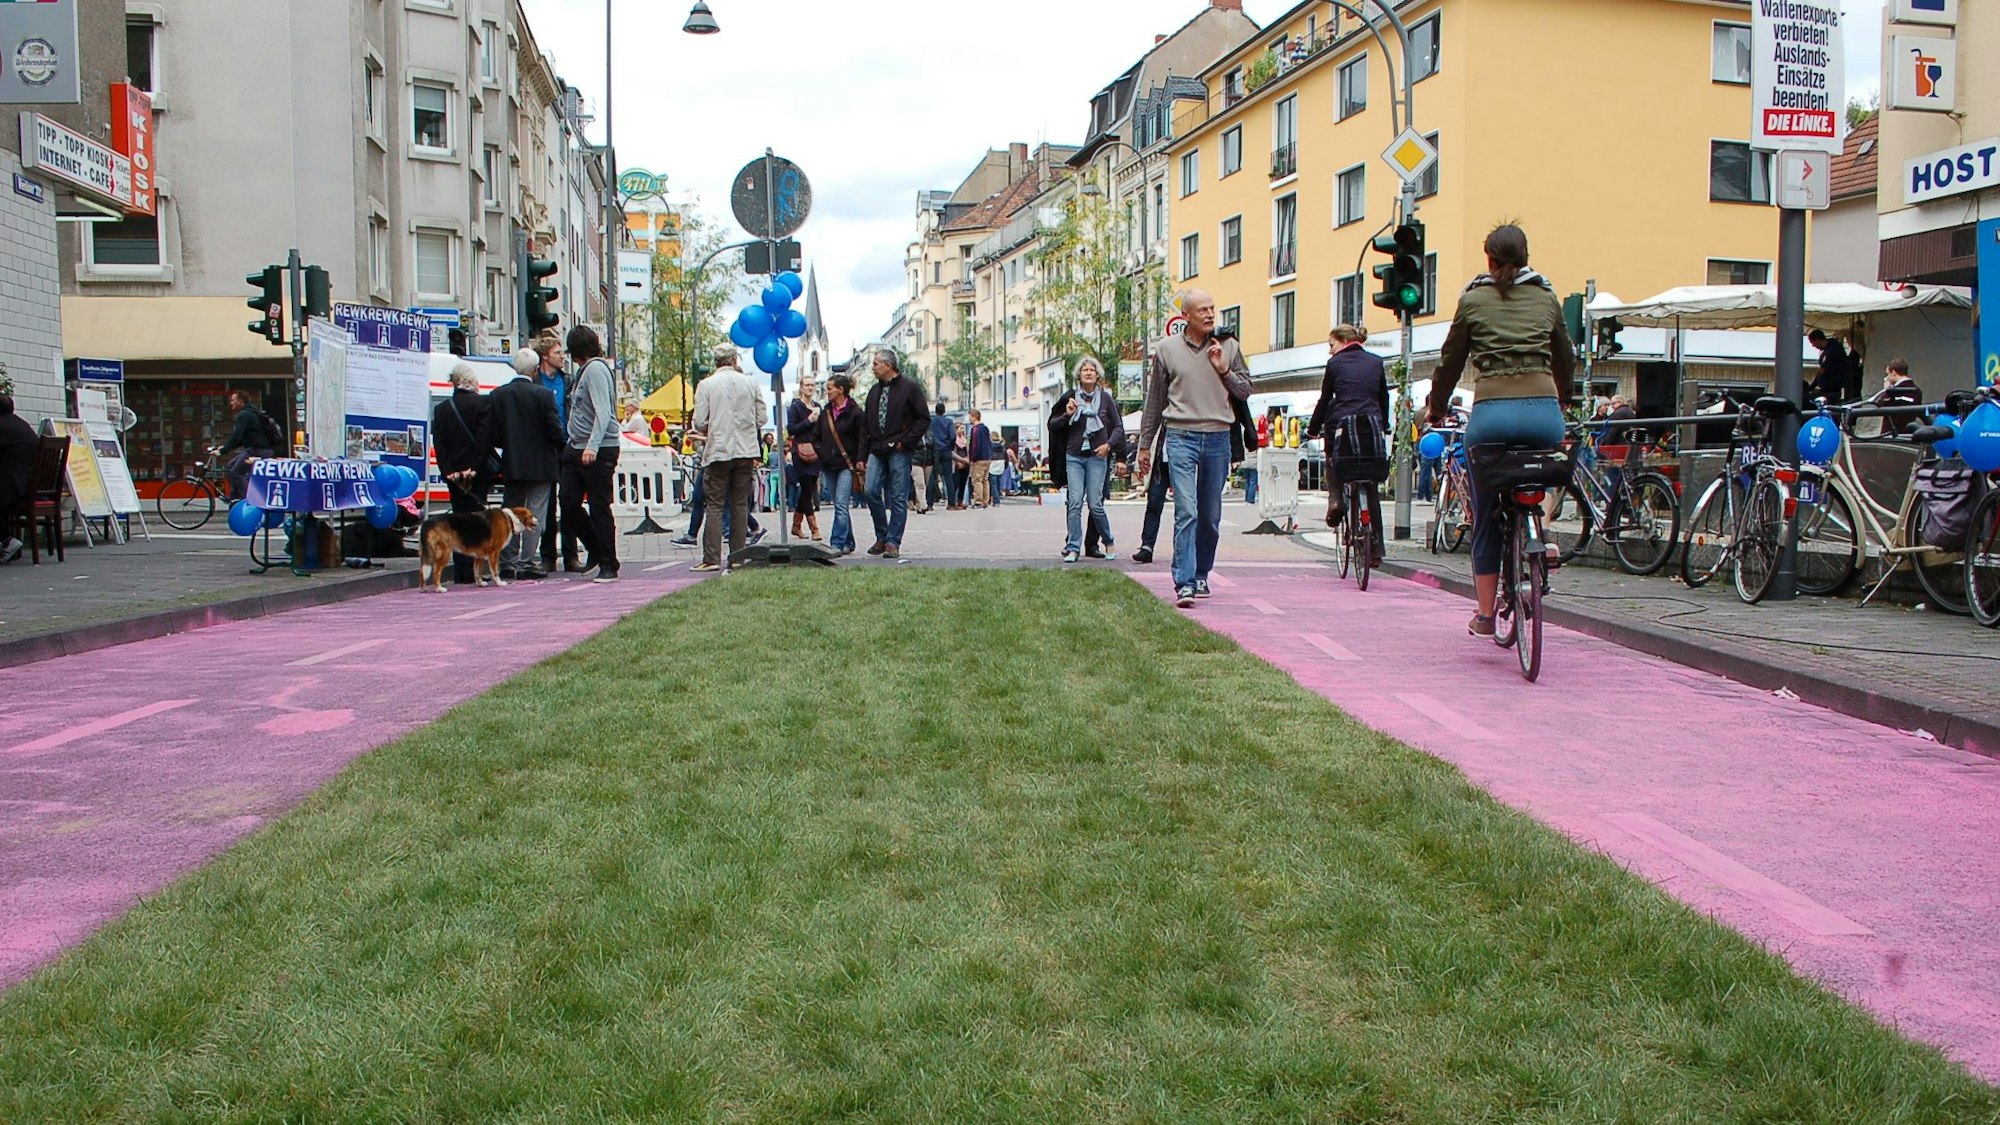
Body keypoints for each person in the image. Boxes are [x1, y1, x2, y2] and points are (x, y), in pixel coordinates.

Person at [1426, 223, 1574, 637]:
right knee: (1548, 468)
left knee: (1486, 513)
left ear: (1488, 259)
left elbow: (1450, 362)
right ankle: (1541, 530)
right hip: (1543, 413)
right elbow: (1564, 355)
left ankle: (1486, 614)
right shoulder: (1546, 297)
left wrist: (1436, 408)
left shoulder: (1473, 299)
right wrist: (1563, 397)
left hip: (1491, 416)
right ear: (1526, 258)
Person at [1137, 288, 1251, 608]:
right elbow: (1155, 401)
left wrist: (1224, 369)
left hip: (1218, 437)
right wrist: (1145, 445)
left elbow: (1245, 391)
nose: (1210, 314)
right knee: (1186, 510)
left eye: (1212, 308)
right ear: (1185, 315)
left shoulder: (1228, 345)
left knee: (1210, 515)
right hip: (1180, 436)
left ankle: (1202, 573)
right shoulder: (1166, 349)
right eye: (1203, 310)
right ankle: (1184, 583)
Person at [1307, 324, 1390, 566]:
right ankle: (1376, 549)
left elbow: (1325, 400)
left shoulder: (1335, 364)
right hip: (1371, 426)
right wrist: (1384, 424)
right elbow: (1383, 397)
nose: (1330, 351)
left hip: (1343, 426)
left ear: (1343, 342)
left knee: (1333, 460)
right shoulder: (1376, 362)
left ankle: (1335, 500)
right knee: (1370, 485)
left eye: (1331, 345)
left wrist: (1313, 428)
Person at [485, 348, 566, 580]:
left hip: (513, 463)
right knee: (536, 512)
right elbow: (555, 430)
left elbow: (493, 433)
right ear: (535, 370)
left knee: (511, 512)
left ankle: (507, 561)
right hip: (542, 463)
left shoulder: (498, 395)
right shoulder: (544, 395)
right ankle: (527, 561)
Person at [690, 345, 763, 573]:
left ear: (716, 362)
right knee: (740, 505)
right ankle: (738, 556)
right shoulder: (750, 383)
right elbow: (761, 417)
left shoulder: (706, 385)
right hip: (746, 450)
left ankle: (711, 558)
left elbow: (699, 422)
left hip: (719, 450)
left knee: (714, 505)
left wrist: (714, 426)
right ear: (734, 360)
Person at [560, 324, 621, 582]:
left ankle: (608, 562)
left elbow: (603, 411)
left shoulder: (595, 370)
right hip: (577, 445)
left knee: (598, 505)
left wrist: (593, 445)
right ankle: (596, 547)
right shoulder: (584, 371)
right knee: (568, 501)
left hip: (598, 447)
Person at [1047, 356, 1123, 563]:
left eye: (1092, 370)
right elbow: (1053, 425)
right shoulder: (1070, 398)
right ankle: (1073, 547)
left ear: (1097, 375)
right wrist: (1067, 415)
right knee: (1074, 503)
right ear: (1079, 375)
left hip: (1097, 458)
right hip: (1074, 457)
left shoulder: (1106, 399)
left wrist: (1109, 446)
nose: (1088, 373)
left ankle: (1108, 541)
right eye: (1085, 370)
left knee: (1095, 504)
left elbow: (1118, 427)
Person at [860, 348, 929, 559]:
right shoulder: (874, 391)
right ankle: (882, 535)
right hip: (877, 449)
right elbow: (866, 425)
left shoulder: (910, 387)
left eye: (876, 364)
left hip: (899, 449)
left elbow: (923, 419)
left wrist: (905, 442)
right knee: (871, 490)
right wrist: (861, 456)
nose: (873, 368)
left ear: (888, 366)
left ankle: (893, 541)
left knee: (898, 496)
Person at [432, 363, 496, 586]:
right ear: (471, 381)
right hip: (477, 472)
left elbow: (440, 444)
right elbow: (484, 439)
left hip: (454, 474)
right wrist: (474, 467)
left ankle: (461, 570)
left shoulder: (441, 409)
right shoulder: (483, 404)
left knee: (458, 517)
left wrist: (449, 471)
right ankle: (476, 569)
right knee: (478, 519)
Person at [530, 336, 572, 571]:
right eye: (557, 353)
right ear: (545, 356)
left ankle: (571, 554)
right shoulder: (535, 381)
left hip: (566, 444)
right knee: (546, 505)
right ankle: (548, 555)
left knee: (569, 500)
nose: (562, 356)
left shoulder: (567, 381)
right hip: (544, 447)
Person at [815, 371, 869, 556]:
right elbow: (816, 436)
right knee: (841, 506)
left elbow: (863, 439)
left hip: (847, 465)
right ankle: (849, 542)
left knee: (840, 503)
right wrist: (821, 452)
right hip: (828, 464)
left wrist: (860, 459)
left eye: (830, 388)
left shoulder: (855, 412)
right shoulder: (826, 412)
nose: (827, 392)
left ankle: (836, 542)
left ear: (841, 389)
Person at [220, 389, 279, 501]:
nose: (231, 403)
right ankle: (235, 498)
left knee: (237, 472)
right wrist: (224, 448)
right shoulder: (252, 413)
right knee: (231, 466)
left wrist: (221, 452)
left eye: (233, 400)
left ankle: (248, 500)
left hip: (258, 451)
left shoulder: (244, 415)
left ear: (240, 401)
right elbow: (241, 440)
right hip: (259, 449)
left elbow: (236, 436)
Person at [0, 394, 36, 564]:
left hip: (14, 487)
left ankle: (7, 540)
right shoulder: (23, 425)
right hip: (30, 485)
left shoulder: (2, 426)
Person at [786, 376, 823, 541]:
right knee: (807, 488)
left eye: (812, 385)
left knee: (808, 489)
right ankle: (814, 528)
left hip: (815, 452)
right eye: (807, 385)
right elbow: (791, 429)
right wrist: (809, 421)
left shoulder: (817, 406)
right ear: (801, 387)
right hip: (800, 451)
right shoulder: (795, 407)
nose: (810, 388)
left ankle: (796, 526)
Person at [1856, 358, 1923, 439]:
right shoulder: (1916, 390)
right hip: (1907, 435)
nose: (1886, 378)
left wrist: (1886, 390)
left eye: (1888, 374)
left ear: (1893, 373)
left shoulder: (1895, 391)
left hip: (1891, 435)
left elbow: (1880, 403)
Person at [1808, 329, 1855, 405]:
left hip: (1832, 390)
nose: (1813, 345)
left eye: (1813, 343)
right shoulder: (1828, 350)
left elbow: (1823, 370)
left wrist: (1811, 387)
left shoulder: (1833, 349)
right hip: (1827, 389)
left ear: (1817, 339)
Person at [926, 402, 954, 512]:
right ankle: (951, 503)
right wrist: (950, 447)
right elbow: (953, 436)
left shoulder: (931, 422)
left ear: (936, 410)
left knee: (933, 477)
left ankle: (929, 503)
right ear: (944, 411)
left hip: (934, 450)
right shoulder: (949, 422)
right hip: (946, 450)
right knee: (948, 477)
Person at [967, 409, 996, 508]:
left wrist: (972, 458)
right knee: (985, 480)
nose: (969, 418)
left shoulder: (975, 429)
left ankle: (978, 501)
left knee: (977, 480)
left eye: (970, 416)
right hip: (987, 457)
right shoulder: (985, 428)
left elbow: (975, 445)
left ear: (974, 417)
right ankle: (985, 501)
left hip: (979, 458)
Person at [949, 421, 971, 508]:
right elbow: (952, 452)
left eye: (963, 428)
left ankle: (960, 501)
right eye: (961, 428)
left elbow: (968, 450)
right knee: (955, 483)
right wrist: (960, 460)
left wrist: (968, 459)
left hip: (966, 463)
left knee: (963, 483)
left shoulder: (965, 439)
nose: (962, 430)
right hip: (957, 463)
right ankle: (952, 501)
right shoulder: (953, 439)